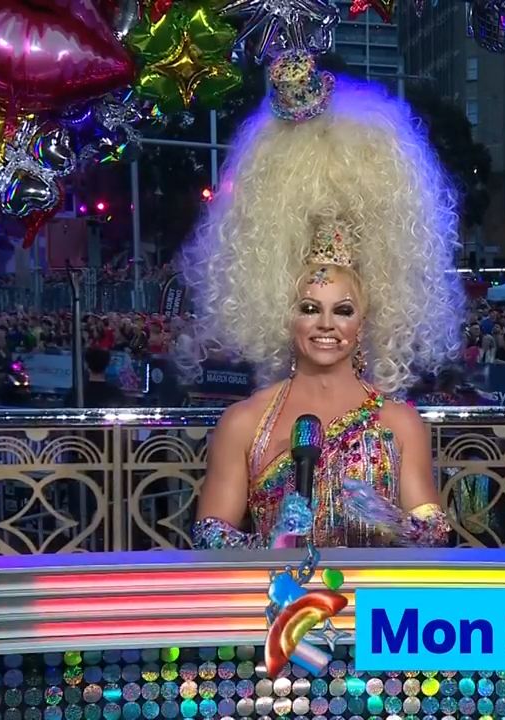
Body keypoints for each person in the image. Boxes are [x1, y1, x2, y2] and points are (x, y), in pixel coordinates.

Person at [186, 51, 463, 550]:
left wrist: (392, 520)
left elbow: (435, 533)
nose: (326, 324)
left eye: (343, 310)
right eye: (309, 308)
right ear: (283, 313)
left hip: (376, 603)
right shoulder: (244, 422)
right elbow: (210, 533)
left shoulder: (399, 423)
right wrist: (271, 545)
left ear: (365, 320)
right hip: (279, 600)